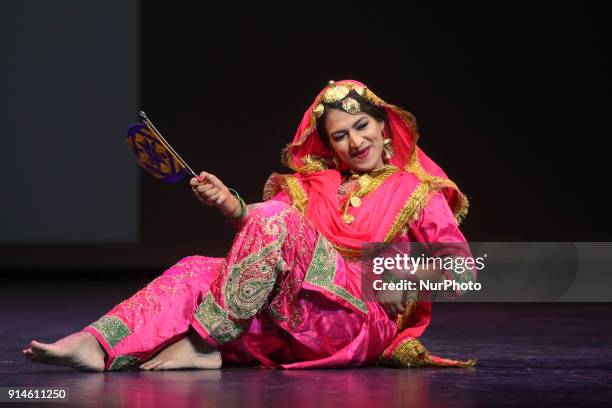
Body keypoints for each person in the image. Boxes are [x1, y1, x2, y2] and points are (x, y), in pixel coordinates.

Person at [23, 79, 476, 371]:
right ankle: (98, 342)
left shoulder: (415, 190)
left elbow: (463, 271)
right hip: (298, 318)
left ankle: (205, 344)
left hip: (360, 322)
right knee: (198, 267)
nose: (355, 141)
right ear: (330, 145)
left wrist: (401, 276)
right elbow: (265, 231)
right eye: (341, 135)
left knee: (275, 217)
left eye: (362, 127)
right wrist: (230, 205)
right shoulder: (311, 185)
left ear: (383, 126)